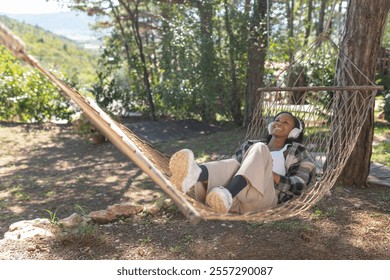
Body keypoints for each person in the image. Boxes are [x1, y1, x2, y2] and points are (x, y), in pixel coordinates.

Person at [169, 112, 317, 214]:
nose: (279, 123)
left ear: (294, 132)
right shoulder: (250, 145)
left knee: (260, 148)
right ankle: (194, 175)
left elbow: (300, 185)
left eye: (286, 122)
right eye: (277, 120)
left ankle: (224, 192)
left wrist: (266, 172)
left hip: (264, 201)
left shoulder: (298, 152)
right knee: (234, 164)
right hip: (231, 201)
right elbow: (230, 169)